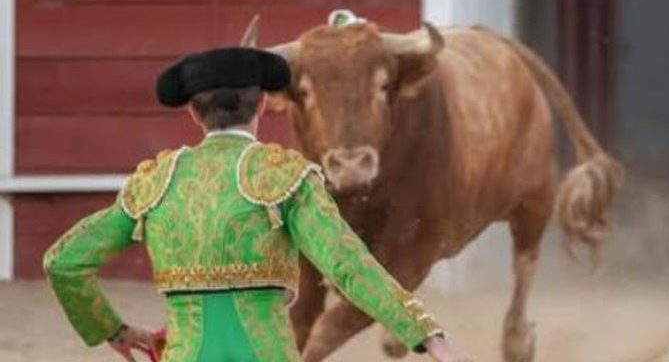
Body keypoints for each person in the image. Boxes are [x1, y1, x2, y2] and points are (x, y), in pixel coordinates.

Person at [43, 47, 473, 362]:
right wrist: (428, 338)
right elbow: (348, 265)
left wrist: (114, 331)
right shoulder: (283, 177)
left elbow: (63, 262)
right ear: (264, 104)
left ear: (194, 112)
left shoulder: (157, 181)